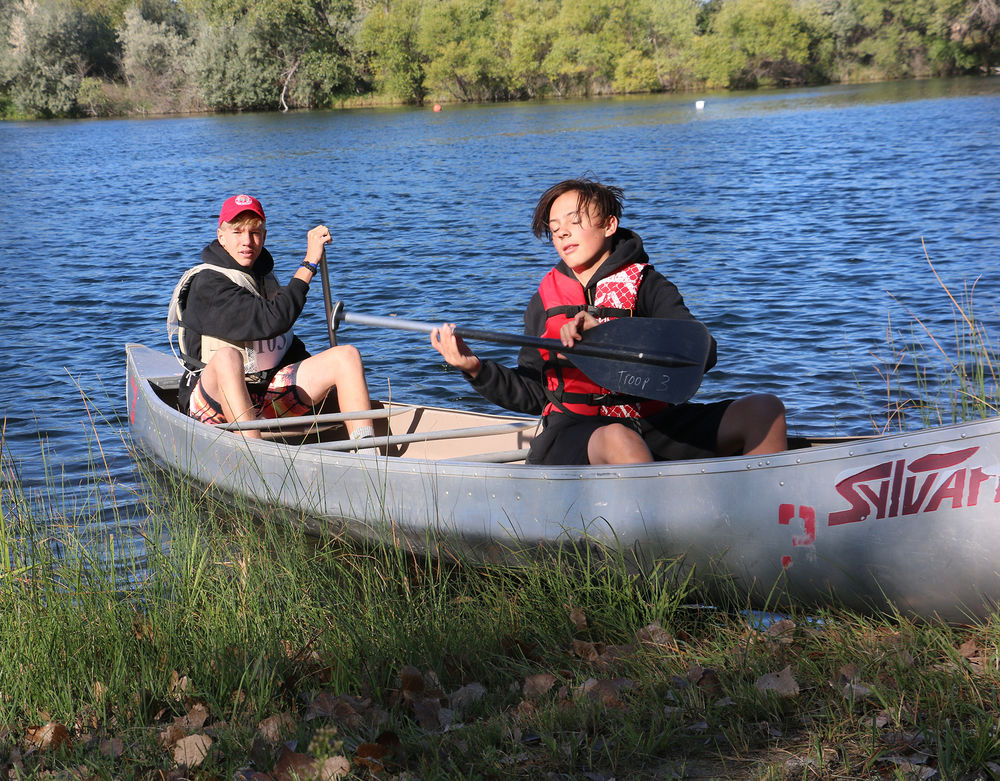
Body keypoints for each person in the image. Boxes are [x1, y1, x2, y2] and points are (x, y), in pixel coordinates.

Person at [429, 178, 787, 465]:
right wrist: (475, 368)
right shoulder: (545, 301)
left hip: (655, 422)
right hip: (575, 430)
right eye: (554, 228)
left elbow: (702, 355)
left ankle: (766, 515)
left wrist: (612, 337)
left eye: (574, 221)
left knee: (764, 409)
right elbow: (535, 393)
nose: (562, 233)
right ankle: (650, 548)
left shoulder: (648, 284)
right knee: (619, 439)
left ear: (609, 225)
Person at [168, 193, 375, 443]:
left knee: (345, 356)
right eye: (238, 232)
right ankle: (254, 459)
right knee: (226, 358)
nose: (247, 241)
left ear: (264, 237)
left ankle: (366, 453)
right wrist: (309, 264)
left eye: (255, 233)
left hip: (267, 397)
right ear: (221, 236)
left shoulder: (264, 277)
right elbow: (272, 320)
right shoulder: (208, 284)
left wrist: (323, 385)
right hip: (217, 405)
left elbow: (284, 343)